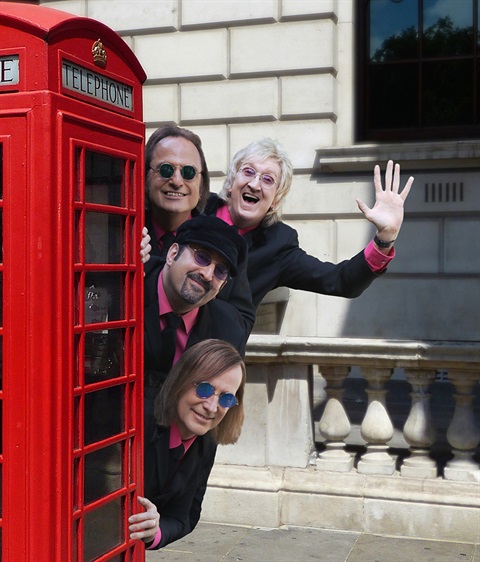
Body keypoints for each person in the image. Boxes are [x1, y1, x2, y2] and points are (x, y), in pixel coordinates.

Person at [204, 138, 414, 309]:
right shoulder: (196, 209)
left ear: (275, 200)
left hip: (212, 357)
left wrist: (385, 238)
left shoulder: (278, 246)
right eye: (248, 172)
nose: (254, 184)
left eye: (268, 179)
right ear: (231, 182)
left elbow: (341, 281)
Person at [129, 338, 246, 549]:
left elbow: (185, 517)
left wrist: (154, 532)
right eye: (204, 390)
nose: (211, 407)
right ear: (181, 380)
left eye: (226, 398)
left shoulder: (207, 440)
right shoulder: (136, 420)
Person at [144, 125, 256, 335]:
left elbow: (241, 320)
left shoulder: (223, 242)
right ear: (145, 178)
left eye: (188, 173)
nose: (177, 181)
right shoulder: (124, 232)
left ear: (202, 183)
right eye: (166, 170)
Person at [144, 214, 248, 423]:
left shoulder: (228, 330)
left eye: (220, 272)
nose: (208, 274)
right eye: (202, 257)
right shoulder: (128, 286)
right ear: (173, 254)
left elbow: (213, 416)